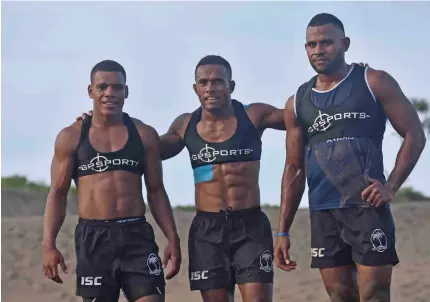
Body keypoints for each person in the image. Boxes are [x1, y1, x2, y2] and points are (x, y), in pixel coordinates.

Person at [77, 55, 285, 302]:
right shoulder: (185, 125)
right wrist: (101, 125)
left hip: (249, 224)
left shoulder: (253, 116)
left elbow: (300, 117)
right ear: (195, 88)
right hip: (207, 229)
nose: (210, 88)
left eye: (218, 81)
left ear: (231, 85)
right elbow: (146, 148)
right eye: (203, 82)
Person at [275, 13, 427, 302]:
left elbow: (414, 135)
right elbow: (294, 169)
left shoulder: (373, 81)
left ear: (344, 43)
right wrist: (283, 230)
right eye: (311, 45)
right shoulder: (298, 101)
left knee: (375, 295)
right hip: (323, 212)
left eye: (326, 43)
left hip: (366, 207)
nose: (318, 50)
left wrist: (391, 186)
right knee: (341, 296)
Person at [42, 59, 181, 302]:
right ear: (90, 91)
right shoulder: (71, 137)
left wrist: (172, 237)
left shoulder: (144, 134)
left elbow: (156, 190)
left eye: (117, 87)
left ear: (126, 91)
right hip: (94, 239)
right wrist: (48, 244)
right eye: (102, 87)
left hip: (137, 235)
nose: (110, 93)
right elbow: (58, 193)